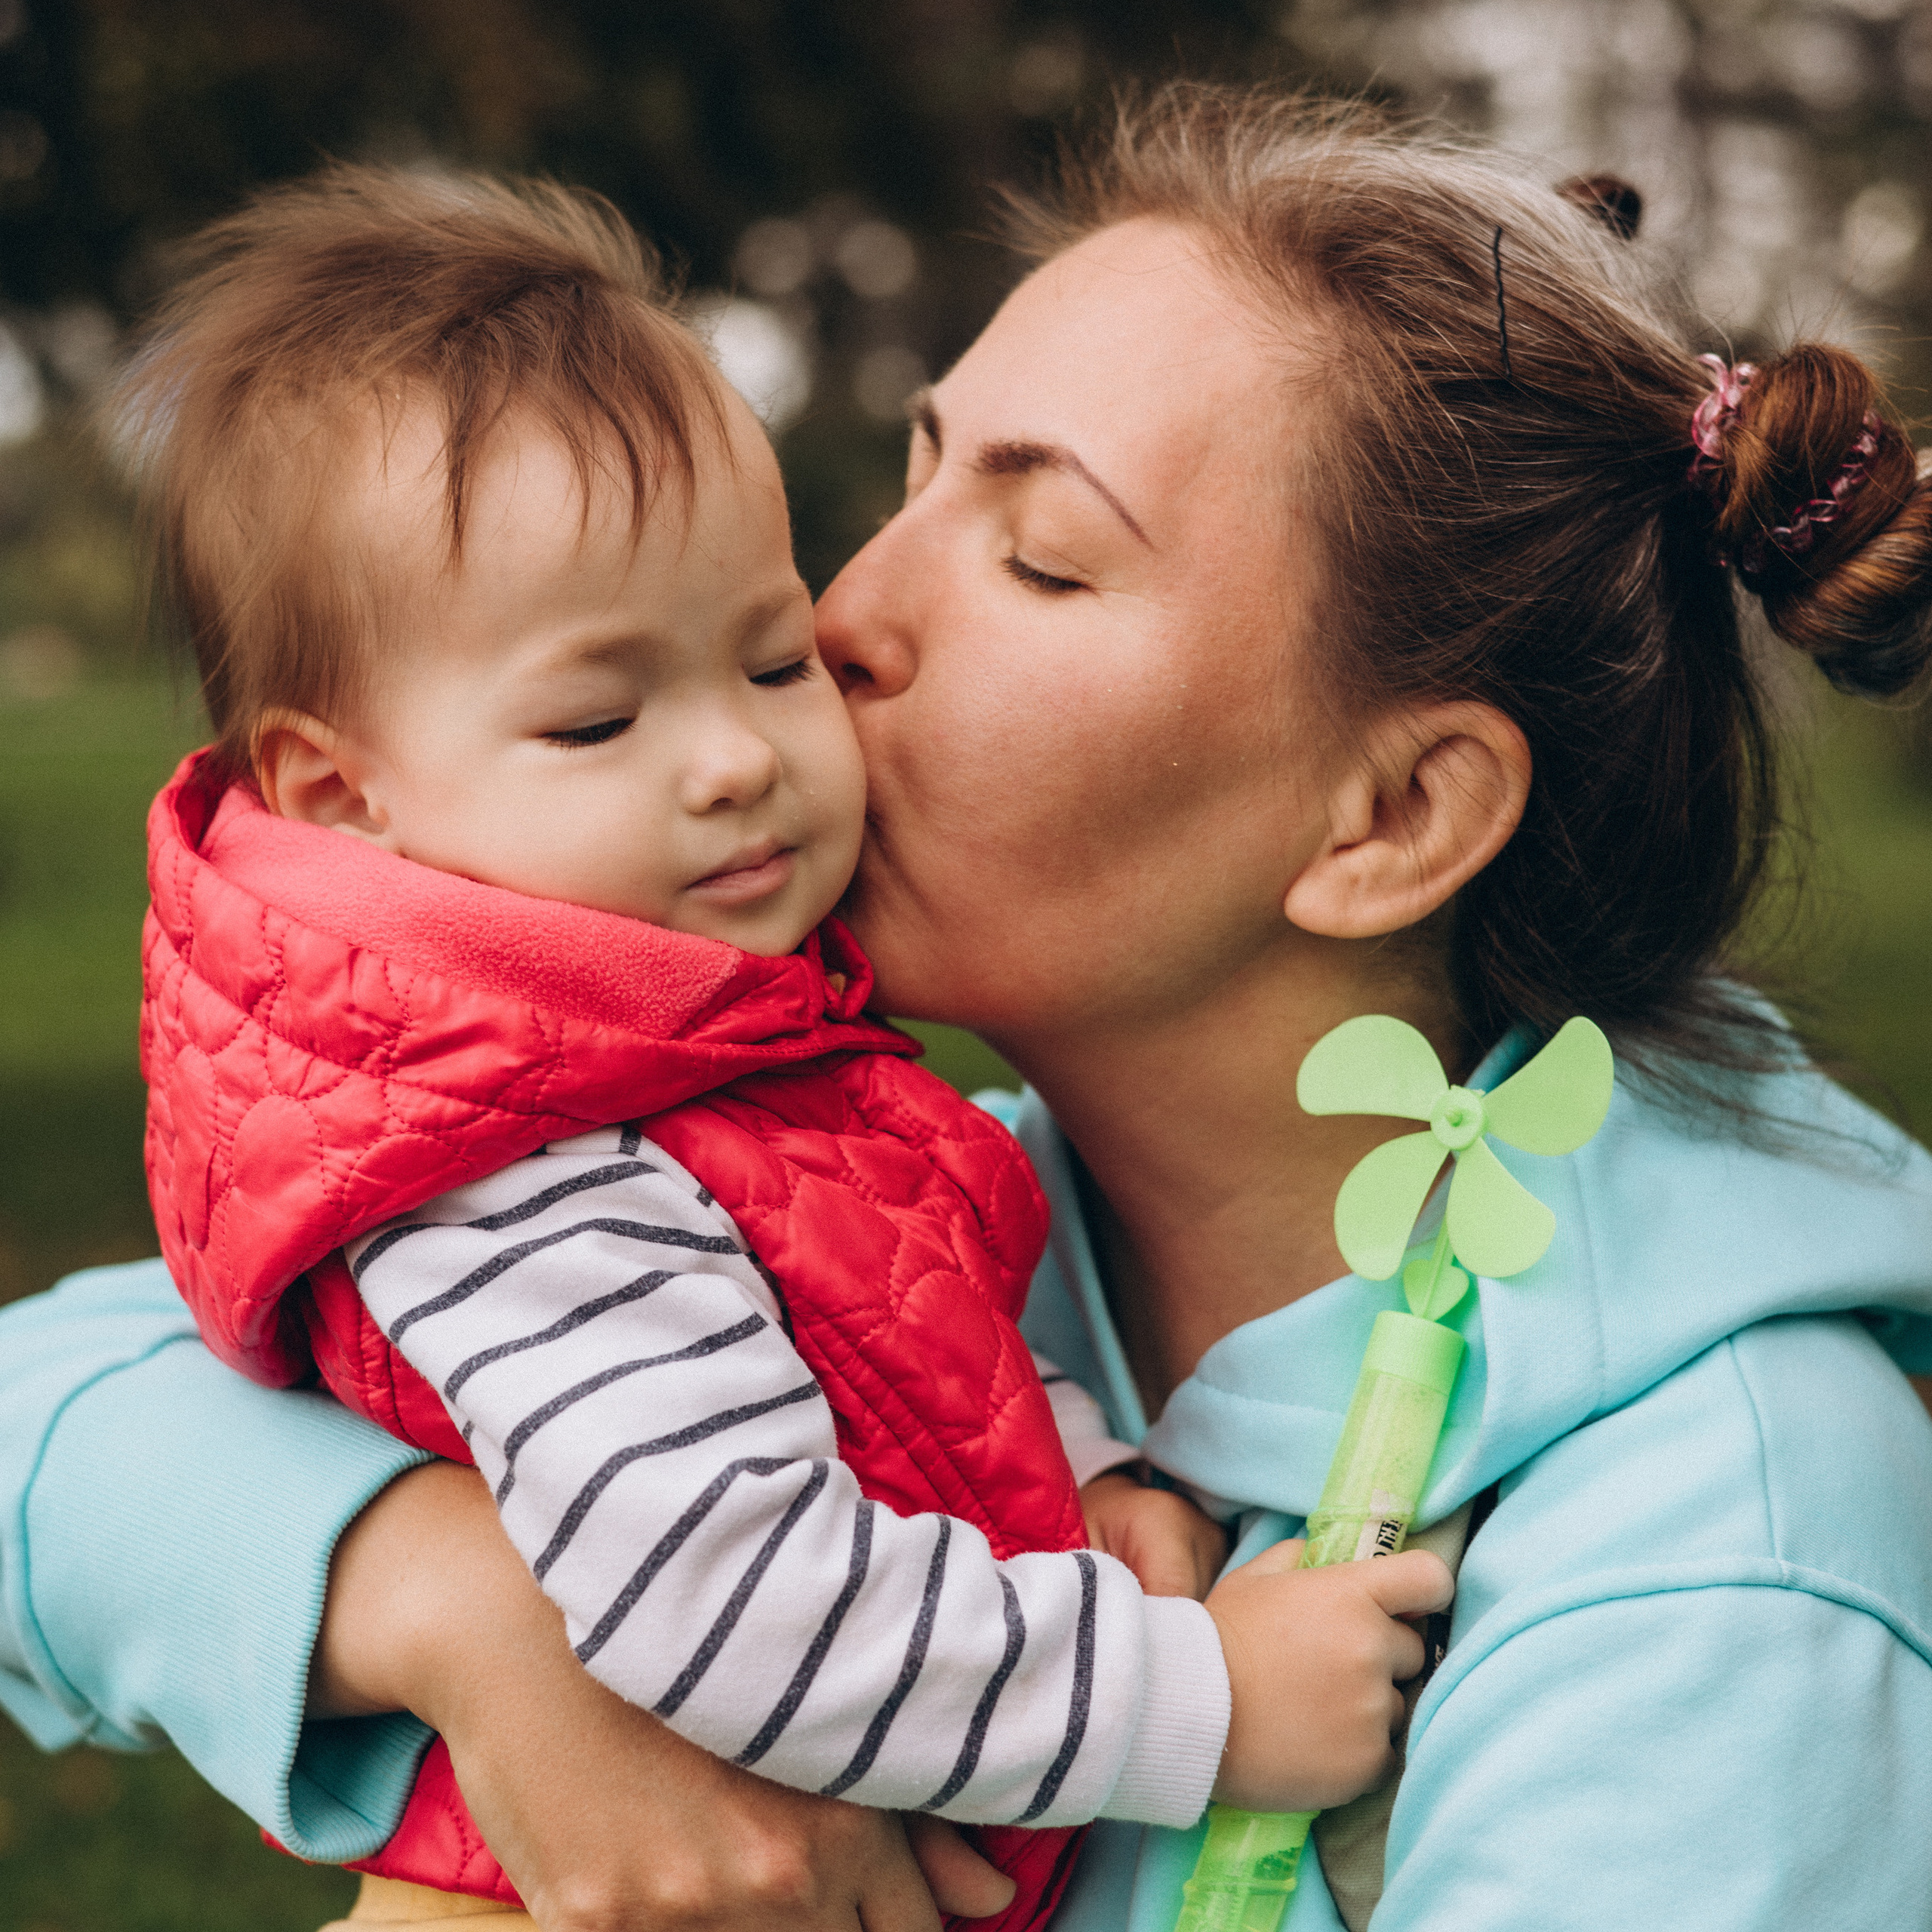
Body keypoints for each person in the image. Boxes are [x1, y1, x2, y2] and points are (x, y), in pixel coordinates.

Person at [7, 82, 1932, 1932]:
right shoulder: (948, 1208)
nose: (837, 619)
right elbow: (49, 1409)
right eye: (915, 473)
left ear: (1391, 817)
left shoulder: (1712, 1573)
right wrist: (466, 1606)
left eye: (1036, 554)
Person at [113, 162, 1448, 1926]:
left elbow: (850, 1329)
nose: (735, 757)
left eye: (762, 656)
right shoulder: (523, 1171)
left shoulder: (675, 1055)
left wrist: (1074, 1473)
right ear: (338, 796)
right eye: (598, 715)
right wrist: (1200, 1702)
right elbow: (727, 1591)